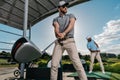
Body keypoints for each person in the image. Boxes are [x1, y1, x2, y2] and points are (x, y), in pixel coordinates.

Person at [50, 1, 88, 80]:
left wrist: (64, 33)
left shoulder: (71, 15)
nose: (66, 8)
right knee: (54, 65)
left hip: (70, 41)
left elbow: (71, 25)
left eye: (66, 6)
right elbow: (56, 28)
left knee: (77, 64)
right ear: (59, 8)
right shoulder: (55, 19)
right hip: (59, 43)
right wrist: (58, 34)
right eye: (63, 6)